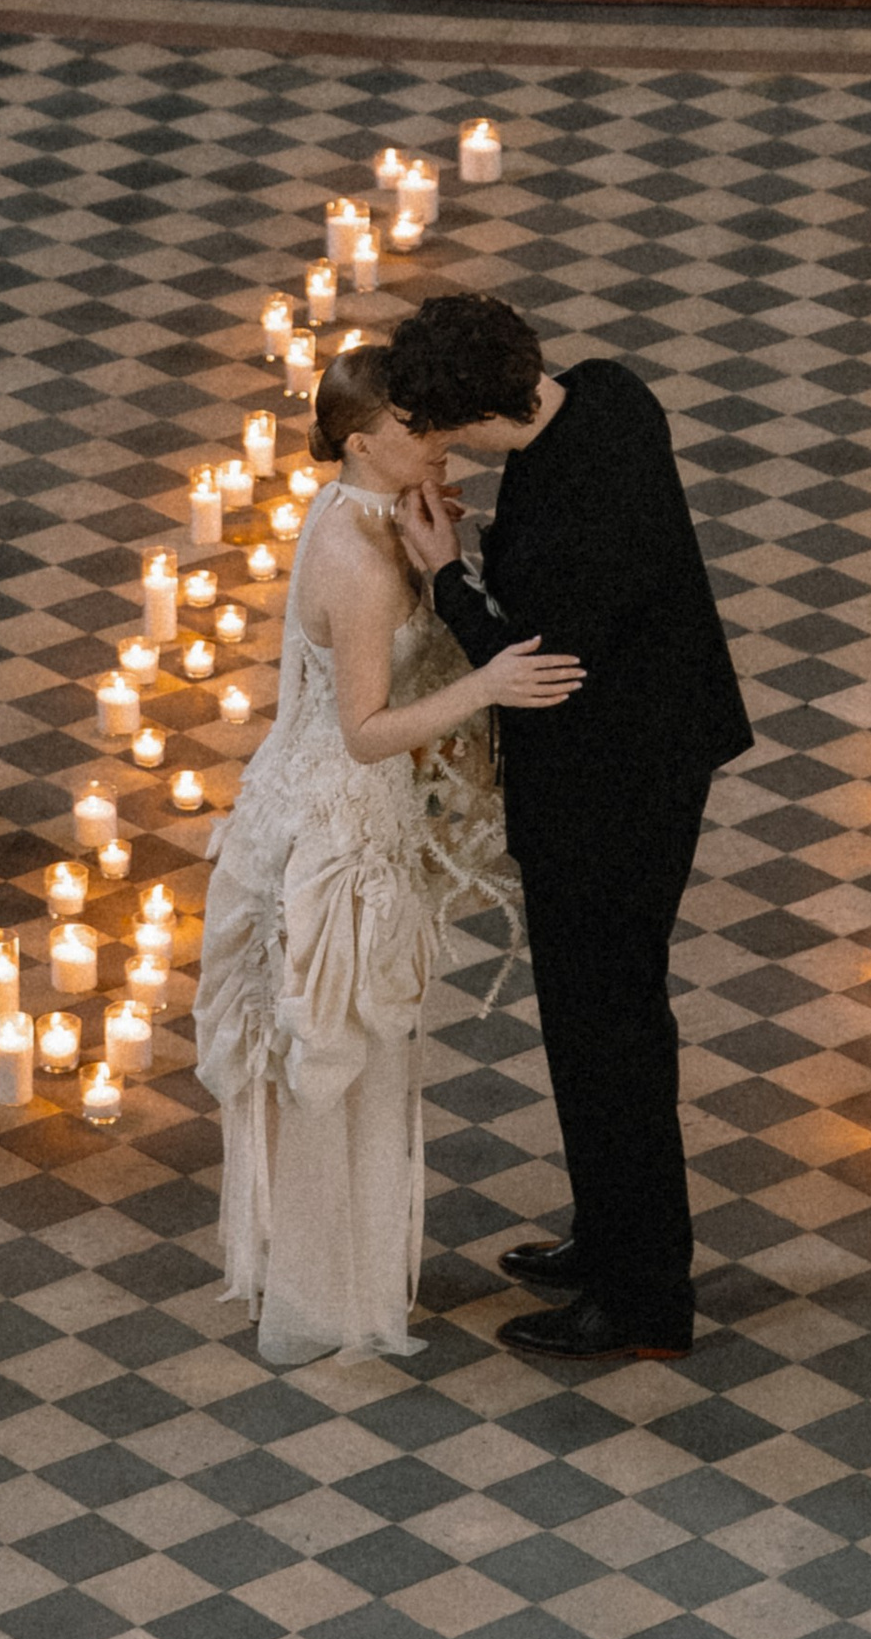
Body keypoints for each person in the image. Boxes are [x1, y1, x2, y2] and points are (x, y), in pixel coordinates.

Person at [194, 343, 578, 1367]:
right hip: (337, 826)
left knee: (361, 1053)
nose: (437, 437)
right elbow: (365, 726)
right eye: (415, 427)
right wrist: (489, 686)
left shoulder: (366, 514)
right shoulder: (357, 560)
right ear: (362, 441)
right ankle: (330, 1296)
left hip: (349, 813)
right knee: (343, 1055)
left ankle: (343, 1275)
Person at [392, 292, 752, 1366]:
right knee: (607, 1026)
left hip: (607, 794)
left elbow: (528, 673)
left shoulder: (565, 545)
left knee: (607, 1038)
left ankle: (642, 1301)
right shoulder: (609, 393)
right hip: (665, 749)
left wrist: (445, 574)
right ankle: (611, 1238)